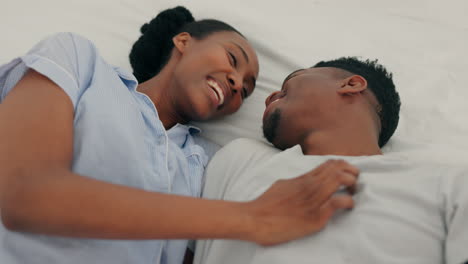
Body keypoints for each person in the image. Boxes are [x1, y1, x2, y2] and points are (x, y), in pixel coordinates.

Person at [0, 6, 360, 264]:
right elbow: (23, 193)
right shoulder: (80, 62)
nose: (237, 84)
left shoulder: (208, 164)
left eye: (246, 90)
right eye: (233, 60)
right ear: (184, 41)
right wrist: (253, 217)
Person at [194, 57, 468, 264]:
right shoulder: (241, 158)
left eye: (290, 82)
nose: (269, 97)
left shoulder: (447, 184)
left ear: (351, 84)